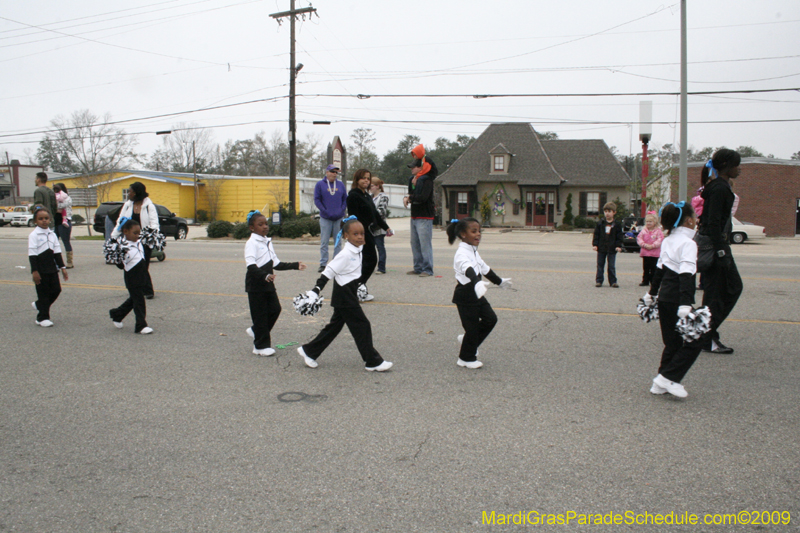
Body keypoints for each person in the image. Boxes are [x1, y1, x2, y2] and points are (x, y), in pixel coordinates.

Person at [296, 217, 393, 372]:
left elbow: (352, 272)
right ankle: (372, 361)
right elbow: (329, 271)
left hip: (350, 292)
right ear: (346, 236)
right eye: (355, 234)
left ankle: (309, 351)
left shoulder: (357, 249)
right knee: (362, 326)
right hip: (345, 296)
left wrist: (360, 285)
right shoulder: (346, 253)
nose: (360, 236)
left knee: (334, 327)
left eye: (362, 233)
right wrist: (316, 290)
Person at [643, 202, 702, 398]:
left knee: (671, 343)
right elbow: (687, 274)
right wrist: (686, 303)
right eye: (694, 216)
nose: (696, 220)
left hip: (664, 298)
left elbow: (660, 270)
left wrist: (651, 294)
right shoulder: (688, 243)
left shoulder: (668, 240)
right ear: (689, 221)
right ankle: (669, 378)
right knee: (690, 341)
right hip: (678, 300)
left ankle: (660, 383)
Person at [447, 217, 511, 369]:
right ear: (463, 234)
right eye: (473, 231)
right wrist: (476, 282)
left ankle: (468, 340)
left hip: (477, 292)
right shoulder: (461, 253)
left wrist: (499, 281)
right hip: (465, 295)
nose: (478, 234)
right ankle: (465, 358)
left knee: (491, 319)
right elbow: (467, 268)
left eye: (479, 231)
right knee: (472, 328)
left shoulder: (473, 251)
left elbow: (484, 268)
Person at [699, 149, 743, 354]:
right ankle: (705, 334)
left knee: (717, 293)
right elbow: (712, 223)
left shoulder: (719, 187)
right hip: (717, 248)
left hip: (719, 247)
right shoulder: (719, 189)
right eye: (736, 165)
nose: (739, 169)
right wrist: (721, 252)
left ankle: (705, 332)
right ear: (726, 166)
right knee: (726, 290)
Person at [244, 210, 306, 356]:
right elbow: (251, 266)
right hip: (256, 284)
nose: (265, 226)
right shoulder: (251, 243)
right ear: (252, 228)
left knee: (275, 309)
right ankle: (260, 346)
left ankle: (256, 331)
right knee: (260, 316)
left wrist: (294, 265)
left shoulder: (267, 241)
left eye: (266, 223)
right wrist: (264, 275)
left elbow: (276, 263)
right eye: (260, 224)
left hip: (268, 283)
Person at [347, 169, 392, 301]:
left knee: (367, 262)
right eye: (363, 178)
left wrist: (386, 227)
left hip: (368, 231)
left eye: (368, 178)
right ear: (357, 180)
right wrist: (356, 234)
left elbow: (375, 214)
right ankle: (357, 288)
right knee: (370, 261)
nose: (366, 181)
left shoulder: (367, 196)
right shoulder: (353, 195)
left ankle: (358, 287)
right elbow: (353, 217)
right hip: (359, 233)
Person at [111, 182, 159, 299]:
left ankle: (147, 290)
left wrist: (151, 237)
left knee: (143, 266)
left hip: (144, 241)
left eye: (130, 191)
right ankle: (134, 288)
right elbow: (120, 221)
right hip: (128, 241)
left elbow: (154, 223)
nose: (129, 193)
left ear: (137, 192)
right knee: (129, 264)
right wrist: (113, 237)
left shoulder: (148, 206)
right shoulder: (128, 205)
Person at [109, 218, 153, 334]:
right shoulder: (123, 247)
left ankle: (117, 315)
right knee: (139, 301)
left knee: (133, 300)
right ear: (125, 231)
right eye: (135, 233)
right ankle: (141, 325)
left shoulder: (139, 243)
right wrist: (118, 255)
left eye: (139, 233)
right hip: (132, 278)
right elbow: (120, 265)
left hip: (142, 276)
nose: (137, 235)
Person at [28, 206, 68, 327]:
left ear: (50, 219)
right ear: (35, 221)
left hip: (52, 268)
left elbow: (57, 252)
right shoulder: (34, 235)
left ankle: (39, 305)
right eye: (40, 219)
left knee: (56, 290)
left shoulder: (52, 234)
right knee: (43, 294)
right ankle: (42, 318)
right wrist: (34, 271)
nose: (44, 221)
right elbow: (32, 254)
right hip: (40, 269)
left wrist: (62, 268)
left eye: (46, 218)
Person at [403, 144, 437, 277]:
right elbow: (412, 194)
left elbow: (423, 197)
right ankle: (418, 267)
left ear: (420, 167)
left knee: (424, 244)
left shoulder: (427, 180)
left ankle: (427, 269)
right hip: (415, 215)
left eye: (413, 167)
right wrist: (412, 190)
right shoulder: (414, 180)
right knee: (415, 243)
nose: (411, 169)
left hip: (425, 216)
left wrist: (410, 198)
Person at [314, 164, 347, 273]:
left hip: (338, 217)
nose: (334, 174)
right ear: (327, 172)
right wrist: (324, 210)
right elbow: (317, 199)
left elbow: (344, 199)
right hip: (325, 217)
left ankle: (336, 263)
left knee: (338, 242)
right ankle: (323, 264)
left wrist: (342, 210)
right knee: (324, 242)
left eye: (336, 172)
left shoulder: (340, 185)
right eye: (332, 172)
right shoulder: (320, 184)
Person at [592, 202, 623, 287]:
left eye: (609, 211)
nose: (607, 213)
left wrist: (618, 246)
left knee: (611, 266)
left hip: (612, 248)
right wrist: (595, 244)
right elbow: (596, 234)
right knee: (600, 265)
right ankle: (599, 280)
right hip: (602, 247)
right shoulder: (600, 223)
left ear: (614, 212)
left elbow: (619, 236)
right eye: (605, 211)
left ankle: (613, 281)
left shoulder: (617, 224)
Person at [636, 212, 663, 286]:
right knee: (646, 268)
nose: (648, 223)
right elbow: (639, 238)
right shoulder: (643, 231)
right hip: (645, 253)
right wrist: (644, 245)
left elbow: (660, 240)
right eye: (647, 221)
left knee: (654, 268)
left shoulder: (658, 231)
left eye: (650, 221)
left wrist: (653, 246)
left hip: (655, 253)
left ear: (655, 222)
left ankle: (653, 281)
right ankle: (645, 280)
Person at [370, 177, 390, 275]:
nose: (370, 188)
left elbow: (381, 211)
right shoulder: (369, 197)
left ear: (378, 186)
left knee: (380, 246)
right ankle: (369, 266)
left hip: (379, 226)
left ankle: (381, 267)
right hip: (369, 227)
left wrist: (370, 215)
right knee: (369, 248)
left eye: (372, 186)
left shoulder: (383, 197)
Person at [53, 183, 74, 269]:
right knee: (54, 242)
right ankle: (55, 262)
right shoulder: (54, 197)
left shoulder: (67, 198)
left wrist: (55, 205)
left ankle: (69, 262)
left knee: (66, 241)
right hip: (55, 221)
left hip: (64, 222)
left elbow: (63, 205)